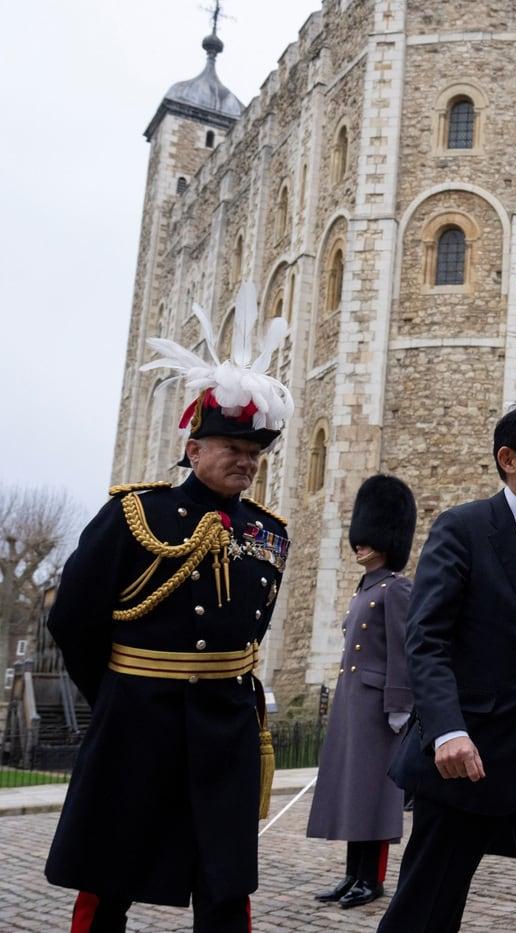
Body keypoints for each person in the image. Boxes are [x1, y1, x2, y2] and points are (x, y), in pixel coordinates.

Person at [45, 282, 293, 932]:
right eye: (233, 451)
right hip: (138, 718)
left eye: (254, 454)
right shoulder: (134, 514)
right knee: (107, 877)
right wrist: (119, 693)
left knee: (225, 882)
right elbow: (73, 617)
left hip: (224, 725)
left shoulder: (268, 530)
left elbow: (250, 629)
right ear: (195, 449)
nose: (246, 463)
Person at [378, 395, 516, 933]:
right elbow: (427, 639)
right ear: (509, 459)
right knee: (428, 906)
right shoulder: (465, 528)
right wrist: (448, 730)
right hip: (469, 753)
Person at [307, 475, 417, 909]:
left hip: (378, 707)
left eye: (367, 539)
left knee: (374, 794)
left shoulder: (395, 589)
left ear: (386, 539)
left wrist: (398, 705)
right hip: (354, 702)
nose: (360, 546)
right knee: (353, 792)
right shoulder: (364, 590)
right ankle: (352, 874)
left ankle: (371, 879)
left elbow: (402, 654)